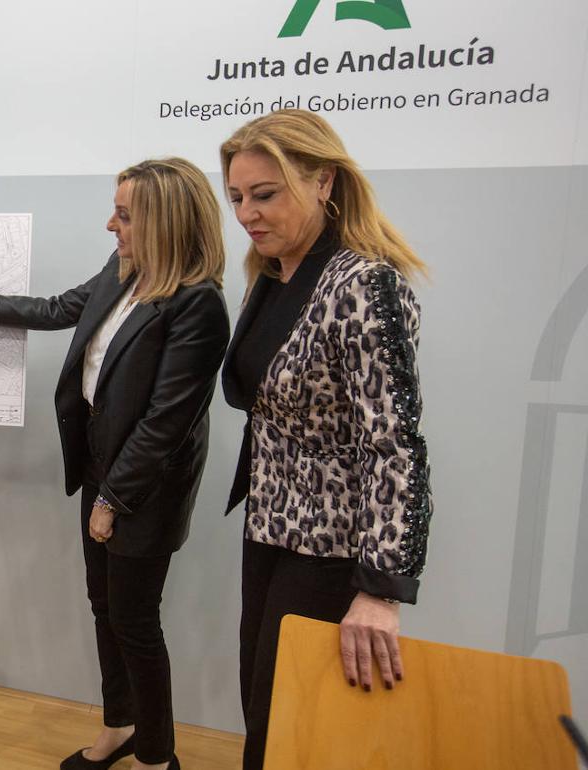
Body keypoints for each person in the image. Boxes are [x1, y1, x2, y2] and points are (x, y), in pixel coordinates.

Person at [0, 158, 230, 770]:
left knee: (136, 622)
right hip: (99, 467)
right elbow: (61, 308)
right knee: (103, 605)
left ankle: (157, 755)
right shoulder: (126, 272)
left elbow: (165, 424)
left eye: (124, 214)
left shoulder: (198, 306)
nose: (110, 224)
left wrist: (113, 501)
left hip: (143, 487)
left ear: (164, 221)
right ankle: (120, 725)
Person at [218, 109, 432, 770]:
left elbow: (394, 445)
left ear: (323, 182)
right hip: (271, 530)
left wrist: (380, 589)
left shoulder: (365, 284)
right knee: (265, 710)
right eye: (237, 198)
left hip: (333, 551)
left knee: (297, 727)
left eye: (265, 193)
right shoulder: (275, 274)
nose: (248, 213)